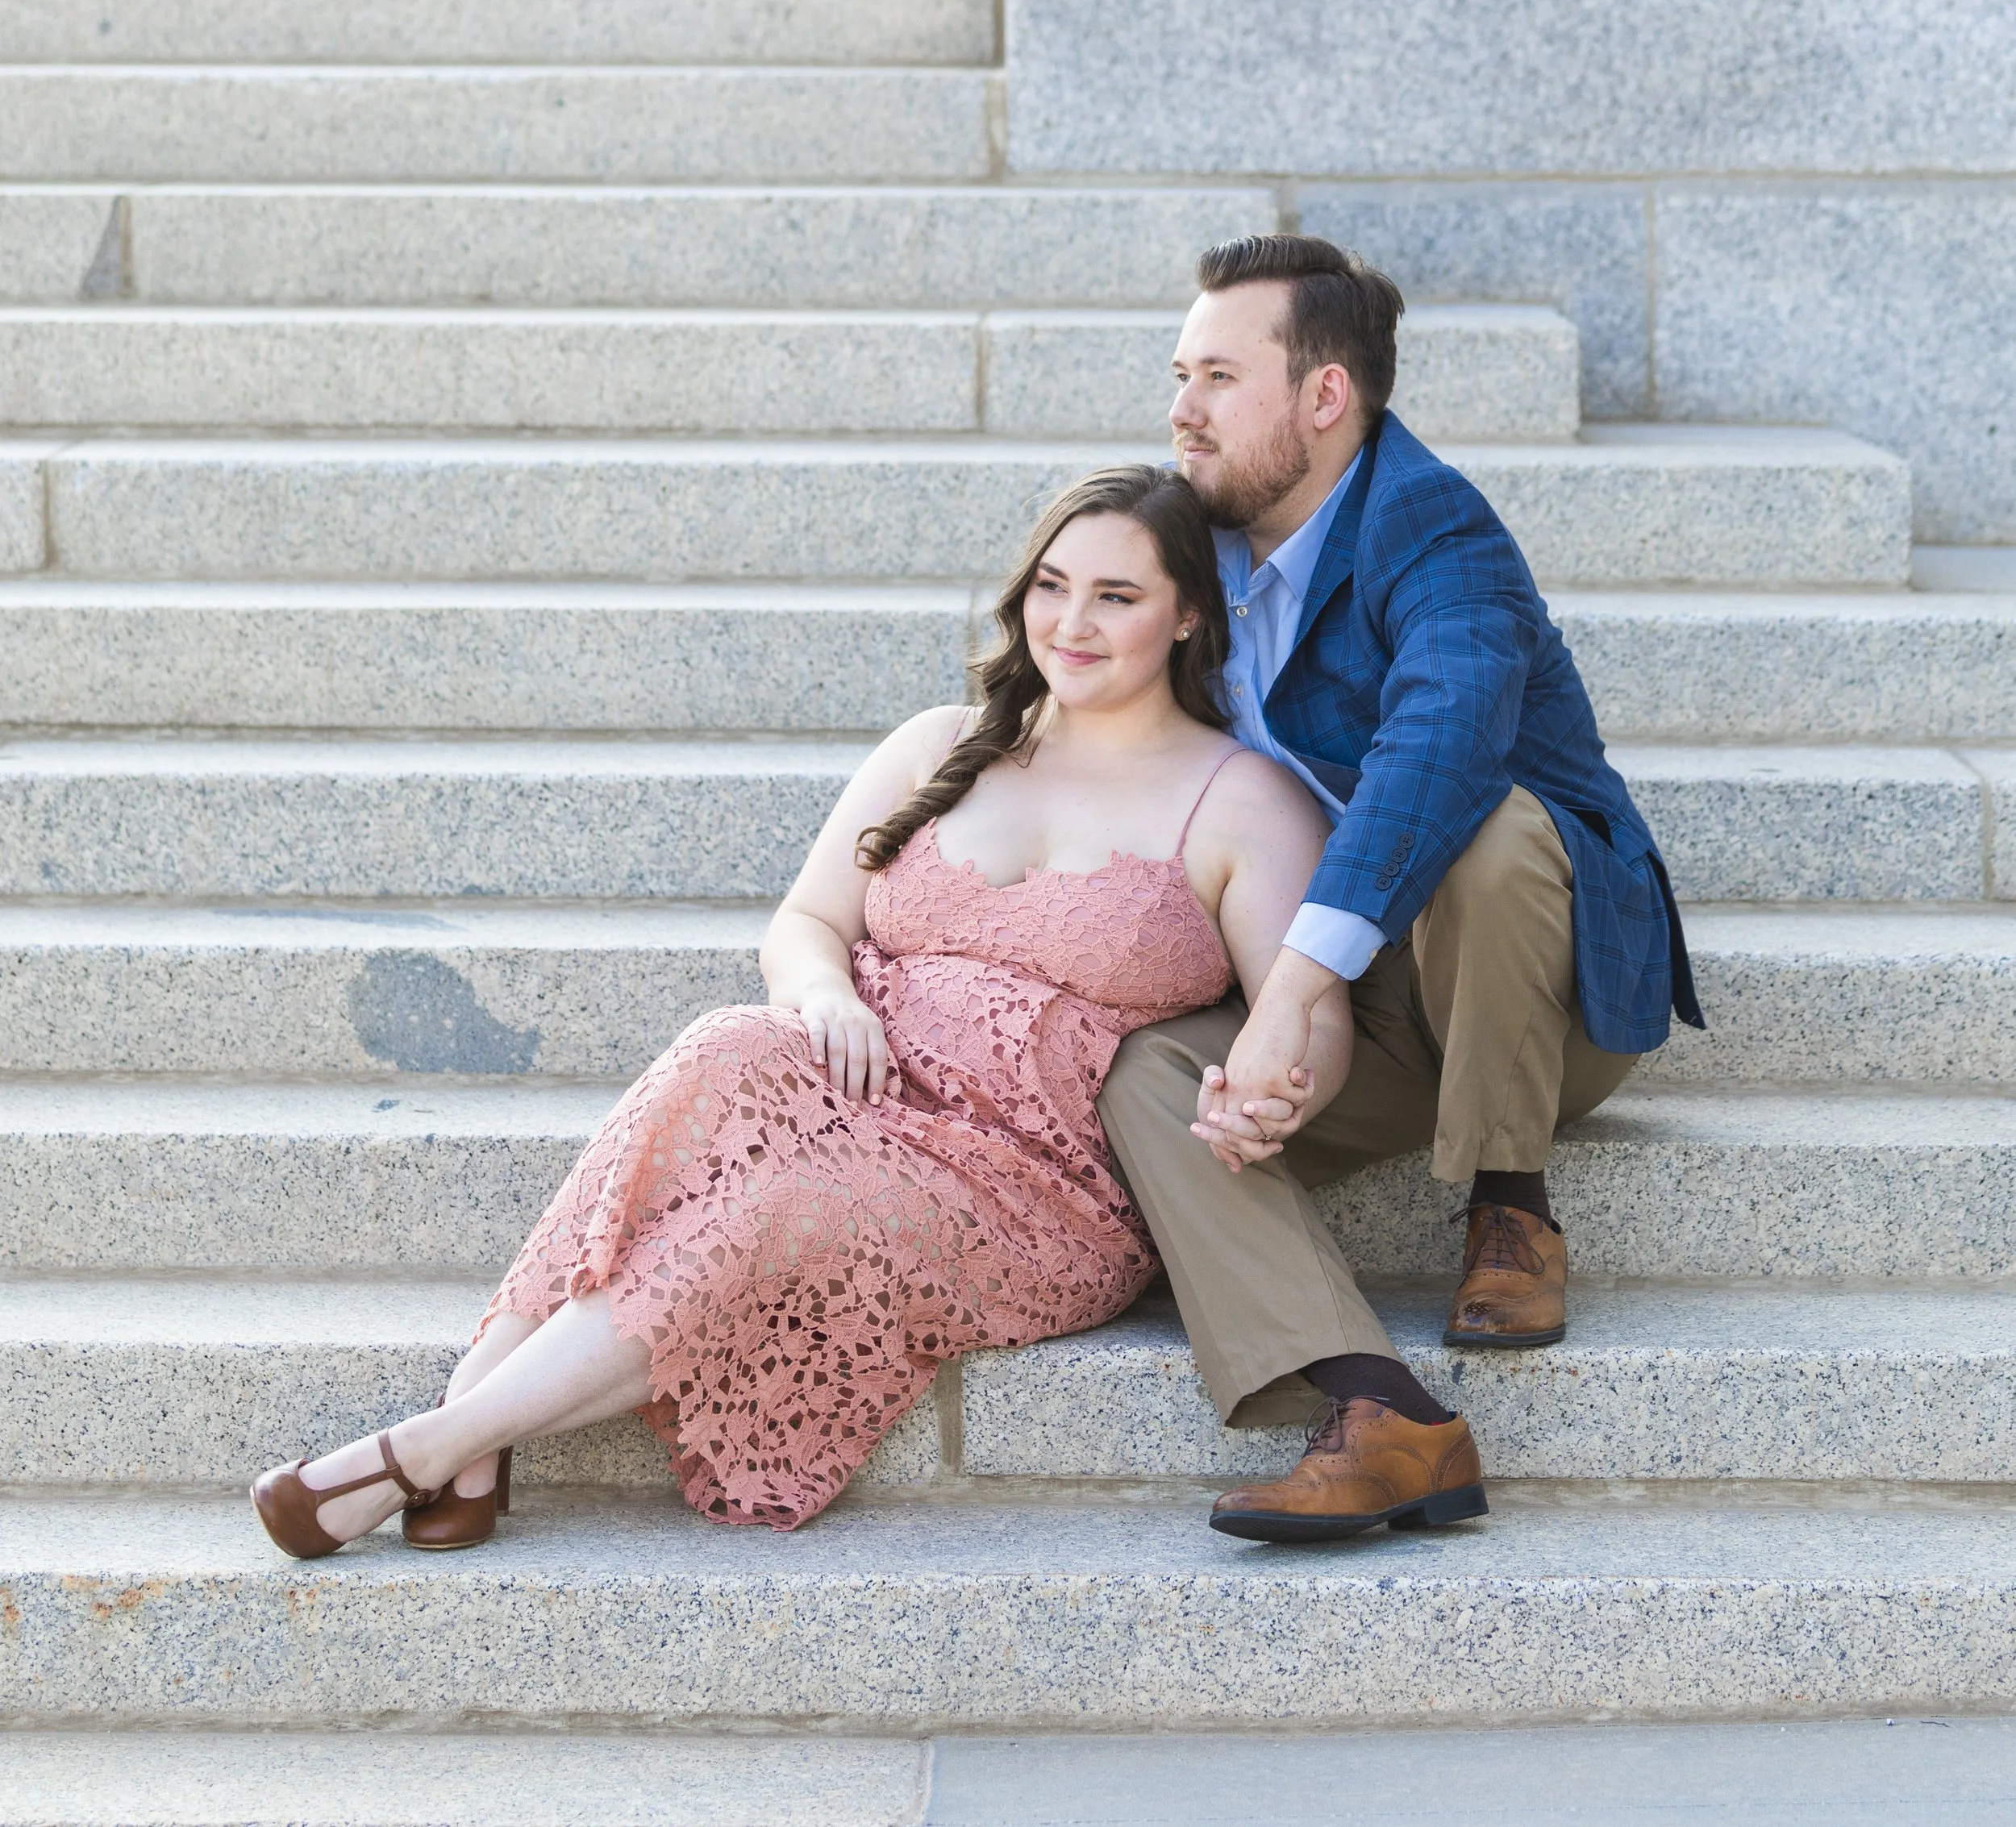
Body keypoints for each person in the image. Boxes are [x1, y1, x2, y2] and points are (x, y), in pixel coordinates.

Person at [249, 462, 1488, 1554]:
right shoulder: (942, 743)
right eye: (1053, 586)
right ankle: (470, 1421)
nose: (1072, 623)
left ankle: (427, 1451)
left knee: (780, 1207)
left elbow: (1307, 1016)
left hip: (1031, 1184)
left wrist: (1277, 1093)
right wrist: (825, 993)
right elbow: (804, 921)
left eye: (1117, 596)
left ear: (1190, 617)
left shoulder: (1240, 800)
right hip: (857, 1086)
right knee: (725, 1043)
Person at [1096, 234, 1702, 1544]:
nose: (1182, 409)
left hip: (1543, 997)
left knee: (1486, 830)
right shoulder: (1193, 544)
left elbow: (1442, 744)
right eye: (1179, 376)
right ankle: (1383, 1412)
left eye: (1218, 378)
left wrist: (1289, 991)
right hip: (1359, 1009)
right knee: (1148, 1074)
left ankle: (1510, 1209)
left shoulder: (1433, 525)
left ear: (1326, 396)